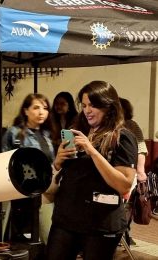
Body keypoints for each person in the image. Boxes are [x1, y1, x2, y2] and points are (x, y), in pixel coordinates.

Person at [46, 81, 137, 260]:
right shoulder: (78, 132)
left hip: (100, 224)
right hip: (66, 219)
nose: (87, 110)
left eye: (93, 105)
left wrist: (92, 151)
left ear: (108, 106)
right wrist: (57, 162)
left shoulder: (122, 137)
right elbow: (61, 175)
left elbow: (123, 185)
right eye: (84, 105)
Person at [0, 94, 55, 245]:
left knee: (45, 231)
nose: (41, 112)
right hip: (20, 189)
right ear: (25, 110)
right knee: (20, 235)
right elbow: (3, 160)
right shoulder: (14, 132)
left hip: (45, 188)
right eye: (36, 107)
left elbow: (52, 161)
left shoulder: (47, 134)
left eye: (45, 108)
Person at [118, 98, 148, 246]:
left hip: (130, 173)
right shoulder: (108, 125)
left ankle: (126, 234)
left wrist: (140, 170)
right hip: (113, 172)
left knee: (128, 206)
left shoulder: (131, 125)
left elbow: (141, 150)